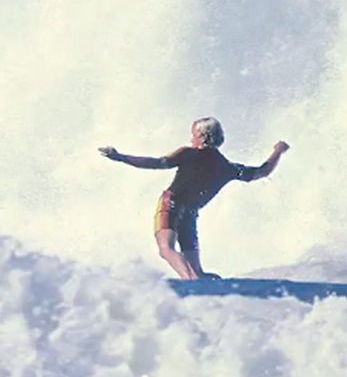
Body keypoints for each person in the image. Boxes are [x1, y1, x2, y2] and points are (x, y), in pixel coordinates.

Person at [98, 117, 289, 280]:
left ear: (202, 137)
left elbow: (157, 163)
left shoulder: (188, 153)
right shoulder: (227, 167)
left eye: (194, 134)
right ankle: (197, 279)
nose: (191, 138)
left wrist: (121, 157)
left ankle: (191, 280)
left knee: (166, 249)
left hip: (170, 205)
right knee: (196, 270)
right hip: (190, 214)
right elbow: (262, 171)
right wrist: (278, 151)